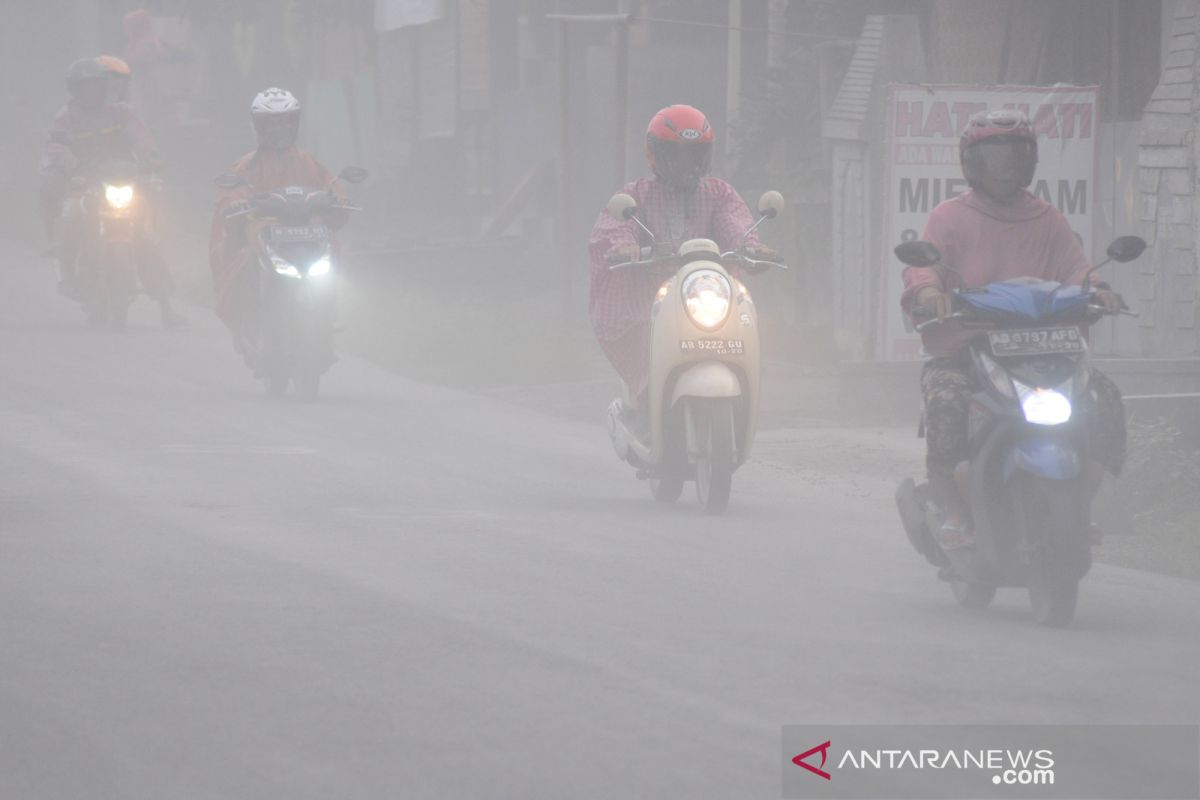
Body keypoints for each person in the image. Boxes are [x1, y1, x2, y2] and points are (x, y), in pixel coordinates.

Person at [900, 109, 1126, 548]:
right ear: (971, 163)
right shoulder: (949, 217)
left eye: (1014, 157)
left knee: (1105, 399)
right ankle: (953, 510)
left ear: (1030, 161)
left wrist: (1100, 289)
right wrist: (930, 294)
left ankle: (1080, 506)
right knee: (945, 401)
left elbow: (1076, 270)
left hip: (1044, 352)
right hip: (969, 349)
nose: (1004, 169)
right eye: (992, 158)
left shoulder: (1047, 218)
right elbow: (921, 272)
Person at [587, 104, 777, 428]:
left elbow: (735, 223)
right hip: (648, 298)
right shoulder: (636, 195)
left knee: (746, 320)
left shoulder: (718, 194)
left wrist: (751, 248)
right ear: (655, 155)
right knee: (635, 331)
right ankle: (646, 397)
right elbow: (614, 227)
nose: (685, 165)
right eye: (676, 156)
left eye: (694, 155)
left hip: (706, 293)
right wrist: (626, 248)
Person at [41, 57, 184, 326]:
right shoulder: (67, 117)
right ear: (73, 90)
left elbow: (140, 136)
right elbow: (55, 146)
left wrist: (151, 157)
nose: (89, 93)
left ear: (103, 86)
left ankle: (166, 305)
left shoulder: (121, 112)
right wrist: (66, 167)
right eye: (83, 88)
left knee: (147, 236)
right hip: (84, 182)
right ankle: (69, 273)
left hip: (124, 179)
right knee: (72, 216)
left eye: (94, 86)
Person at [209, 88, 342, 362]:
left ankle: (327, 314)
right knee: (244, 261)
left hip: (307, 233)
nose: (279, 129)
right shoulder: (245, 166)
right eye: (271, 123)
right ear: (258, 127)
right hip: (264, 234)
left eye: (285, 121)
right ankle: (247, 319)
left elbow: (331, 186)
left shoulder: (308, 162)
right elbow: (229, 195)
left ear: (295, 124)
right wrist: (234, 205)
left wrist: (338, 200)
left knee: (335, 251)